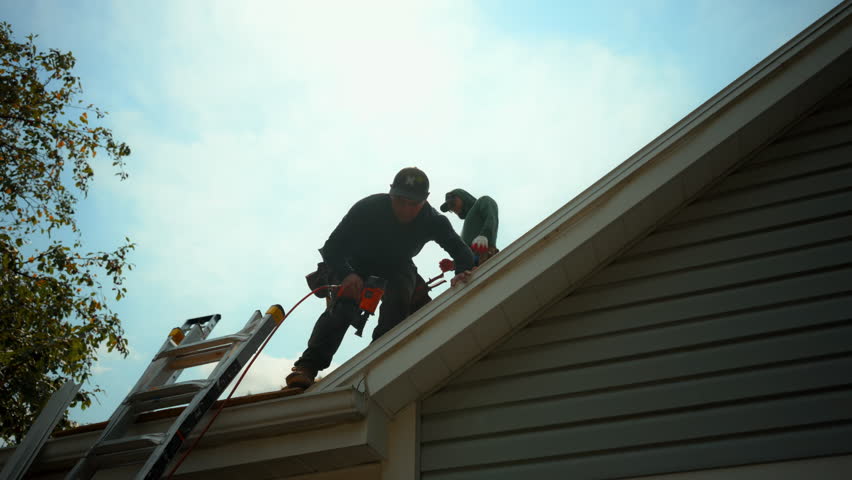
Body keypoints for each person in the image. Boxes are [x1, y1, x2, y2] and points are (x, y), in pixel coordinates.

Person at [286, 167, 475, 389]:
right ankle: (307, 367)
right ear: (390, 193)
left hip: (398, 265)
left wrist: (462, 271)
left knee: (401, 297)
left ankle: (379, 360)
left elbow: (462, 252)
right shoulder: (368, 208)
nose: (405, 209)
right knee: (343, 309)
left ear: (425, 201)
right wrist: (347, 274)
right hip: (356, 263)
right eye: (400, 201)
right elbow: (332, 247)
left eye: (413, 204)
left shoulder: (434, 221)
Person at [440, 188, 499, 265]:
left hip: (483, 255)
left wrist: (485, 235)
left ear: (462, 196)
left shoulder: (483, 201)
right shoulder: (467, 226)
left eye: (452, 203)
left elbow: (491, 218)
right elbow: (465, 251)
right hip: (469, 267)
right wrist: (454, 264)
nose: (453, 209)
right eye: (450, 209)